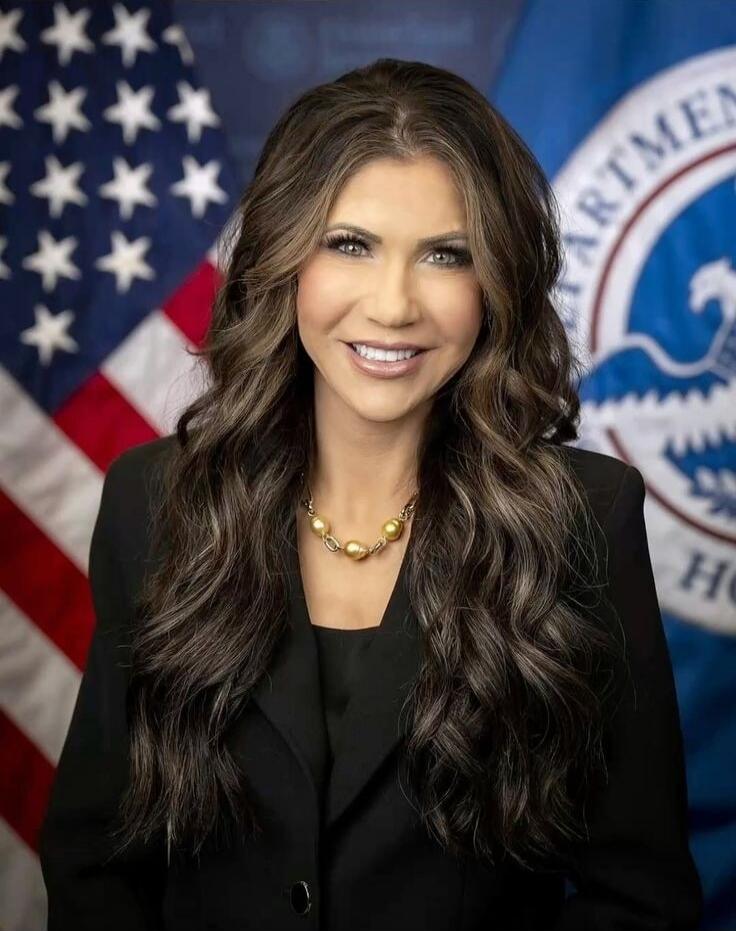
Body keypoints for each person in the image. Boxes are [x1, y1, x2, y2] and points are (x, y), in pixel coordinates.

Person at [39, 57, 703, 930]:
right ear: (284, 258)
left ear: (496, 283)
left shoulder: (584, 518)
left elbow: (640, 899)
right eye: (350, 244)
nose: (393, 306)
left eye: (445, 255)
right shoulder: (152, 503)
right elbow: (97, 865)